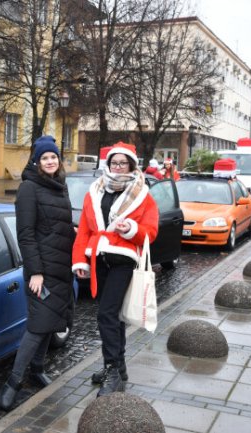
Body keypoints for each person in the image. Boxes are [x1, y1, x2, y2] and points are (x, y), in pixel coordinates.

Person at [72, 142, 159, 396]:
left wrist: (131, 229)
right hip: (99, 259)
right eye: (114, 162)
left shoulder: (143, 195)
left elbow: (151, 233)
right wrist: (80, 260)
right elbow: (84, 230)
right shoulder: (95, 191)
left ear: (131, 165)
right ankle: (118, 367)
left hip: (124, 260)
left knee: (106, 314)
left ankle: (112, 371)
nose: (118, 167)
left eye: (123, 163)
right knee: (115, 315)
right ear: (108, 164)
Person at [0, 135, 76, 411]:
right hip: (41, 272)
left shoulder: (60, 186)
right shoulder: (29, 188)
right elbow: (26, 234)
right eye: (45, 157)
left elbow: (60, 226)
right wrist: (36, 272)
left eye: (54, 156)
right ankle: (13, 383)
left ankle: (37, 369)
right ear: (36, 161)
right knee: (36, 327)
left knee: (50, 322)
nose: (50, 161)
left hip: (61, 267)